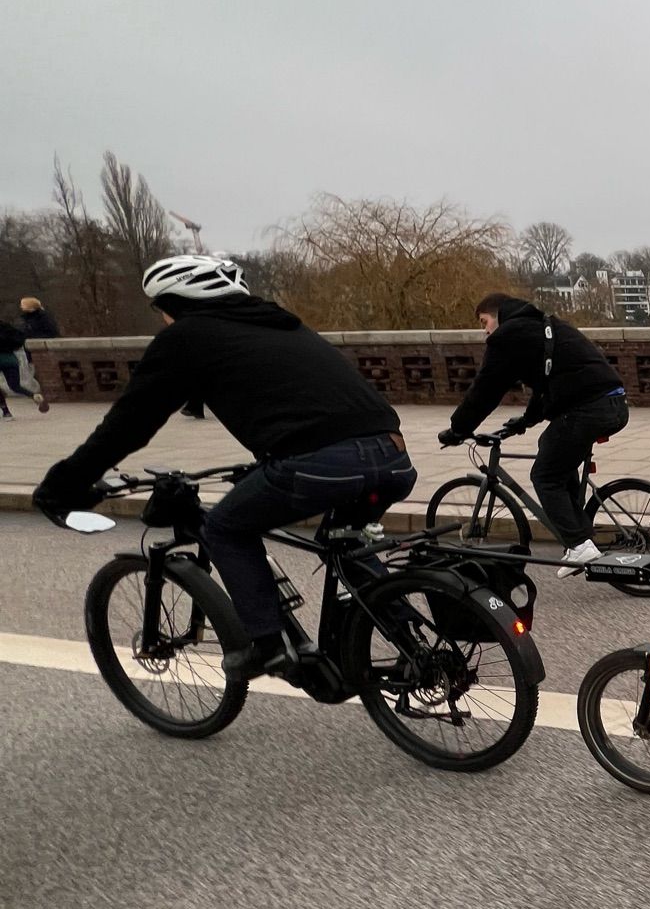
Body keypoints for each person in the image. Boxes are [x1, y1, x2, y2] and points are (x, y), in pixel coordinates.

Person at [32, 255, 417, 679]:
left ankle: (269, 646)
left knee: (226, 528)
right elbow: (301, 402)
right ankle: (412, 644)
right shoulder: (281, 322)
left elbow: (129, 424)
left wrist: (64, 483)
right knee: (345, 541)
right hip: (393, 457)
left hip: (318, 466)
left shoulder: (187, 337)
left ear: (173, 302)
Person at [440, 292, 628, 571]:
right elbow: (550, 383)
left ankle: (580, 545)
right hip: (613, 403)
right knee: (554, 452)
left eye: (484, 321)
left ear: (498, 315)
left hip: (588, 409)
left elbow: (486, 389)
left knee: (544, 475)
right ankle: (581, 535)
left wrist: (458, 429)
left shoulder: (507, 337)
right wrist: (525, 421)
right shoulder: (544, 324)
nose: (485, 330)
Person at [0, 319, 49, 415]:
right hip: (11, 359)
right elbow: (19, 336)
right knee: (15, 386)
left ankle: (6, 411)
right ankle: (35, 396)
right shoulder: (5, 326)